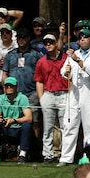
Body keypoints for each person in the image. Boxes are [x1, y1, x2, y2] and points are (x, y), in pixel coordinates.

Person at [60, 26, 90, 166]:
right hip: (74, 93)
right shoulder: (72, 54)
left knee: (89, 126)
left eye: (85, 36)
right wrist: (66, 72)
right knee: (69, 124)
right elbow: (64, 72)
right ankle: (66, 158)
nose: (82, 39)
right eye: (79, 37)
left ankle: (87, 156)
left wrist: (77, 60)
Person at [35, 33, 69, 163]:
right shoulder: (41, 61)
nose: (48, 45)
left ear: (56, 43)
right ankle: (47, 155)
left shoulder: (66, 59)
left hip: (64, 94)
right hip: (48, 95)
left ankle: (65, 155)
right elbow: (39, 81)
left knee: (64, 127)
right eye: (46, 43)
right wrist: (41, 98)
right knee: (47, 128)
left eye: (50, 42)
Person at [0, 76, 32, 162]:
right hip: (4, 127)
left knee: (27, 126)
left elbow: (29, 118)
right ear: (4, 87)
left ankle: (22, 154)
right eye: (7, 86)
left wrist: (14, 120)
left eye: (11, 86)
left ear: (17, 87)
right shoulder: (0, 98)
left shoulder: (22, 98)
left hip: (18, 127)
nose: (9, 88)